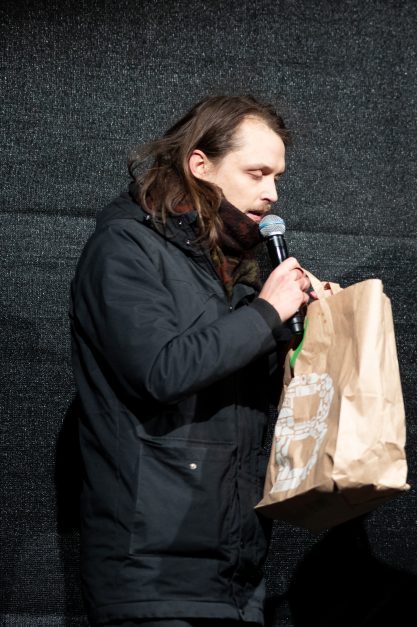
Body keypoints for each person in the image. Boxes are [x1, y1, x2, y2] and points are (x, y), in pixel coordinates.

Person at [69, 95, 313, 626]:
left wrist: (310, 333)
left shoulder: (235, 270)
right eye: (255, 173)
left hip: (235, 573)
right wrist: (267, 313)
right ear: (199, 165)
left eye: (277, 177)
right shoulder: (125, 250)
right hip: (151, 573)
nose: (270, 193)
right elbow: (161, 371)